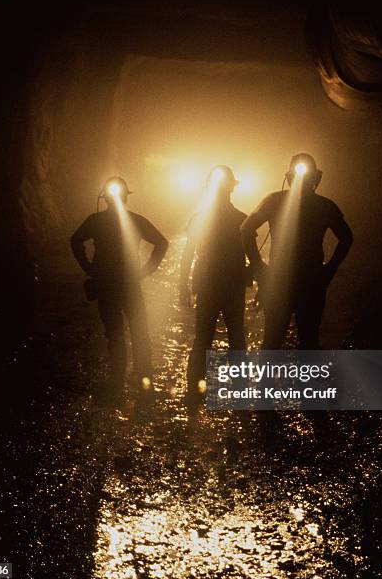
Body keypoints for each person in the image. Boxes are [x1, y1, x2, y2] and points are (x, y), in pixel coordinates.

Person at [240, 153, 353, 349]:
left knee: (273, 341)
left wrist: (259, 267)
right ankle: (305, 379)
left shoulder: (274, 200)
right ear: (316, 178)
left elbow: (245, 229)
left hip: (282, 282)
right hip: (310, 281)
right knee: (307, 341)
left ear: (289, 177)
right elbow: (346, 238)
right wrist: (329, 270)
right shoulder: (325, 206)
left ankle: (266, 380)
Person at [70, 177, 168, 398]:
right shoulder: (136, 220)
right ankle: (144, 378)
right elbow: (162, 243)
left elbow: (75, 241)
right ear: (125, 197)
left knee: (114, 332)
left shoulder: (95, 221)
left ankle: (117, 380)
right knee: (138, 330)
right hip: (128, 283)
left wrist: (88, 268)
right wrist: (146, 270)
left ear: (104, 198)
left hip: (106, 282)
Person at [180, 166, 251, 402]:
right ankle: (239, 391)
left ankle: (195, 391)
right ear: (233, 187)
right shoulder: (242, 220)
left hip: (211, 284)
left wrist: (183, 285)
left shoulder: (201, 218)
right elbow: (253, 256)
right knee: (235, 336)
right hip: (231, 285)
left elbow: (188, 254)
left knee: (204, 338)